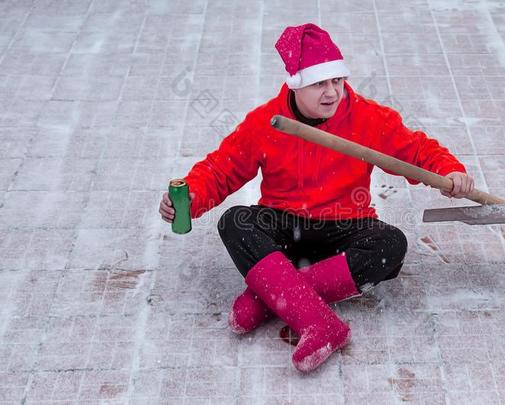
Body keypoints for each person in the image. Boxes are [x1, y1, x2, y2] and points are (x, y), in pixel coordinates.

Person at [159, 23, 474, 372]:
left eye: (337, 81)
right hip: (284, 227)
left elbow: (415, 149)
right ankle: (318, 322)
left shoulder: (366, 117)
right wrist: (191, 195)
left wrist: (449, 170)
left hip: (347, 224)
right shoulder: (268, 122)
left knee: (391, 245)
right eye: (319, 84)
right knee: (235, 221)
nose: (332, 93)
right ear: (297, 85)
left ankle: (271, 296)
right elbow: (221, 169)